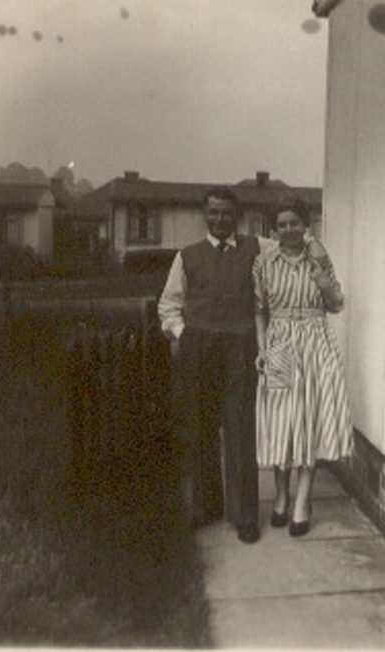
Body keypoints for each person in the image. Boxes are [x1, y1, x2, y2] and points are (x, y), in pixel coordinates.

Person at [158, 187, 271, 543]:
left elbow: (294, 240)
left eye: (227, 213)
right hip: (200, 349)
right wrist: (183, 334)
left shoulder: (257, 248)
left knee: (240, 429)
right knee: (201, 428)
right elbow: (168, 305)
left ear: (237, 216)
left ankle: (245, 515)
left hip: (240, 348)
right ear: (205, 215)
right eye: (214, 212)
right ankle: (206, 509)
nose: (221, 219)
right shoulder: (187, 256)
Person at [253, 197, 353, 537]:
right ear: (273, 229)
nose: (288, 229)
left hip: (314, 344)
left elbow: (337, 304)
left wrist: (322, 279)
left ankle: (302, 502)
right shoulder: (264, 263)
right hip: (280, 342)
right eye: (281, 224)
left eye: (294, 222)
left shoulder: (319, 258)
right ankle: (281, 496)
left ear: (305, 225)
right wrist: (263, 348)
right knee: (281, 421)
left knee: (308, 419)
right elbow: (258, 310)